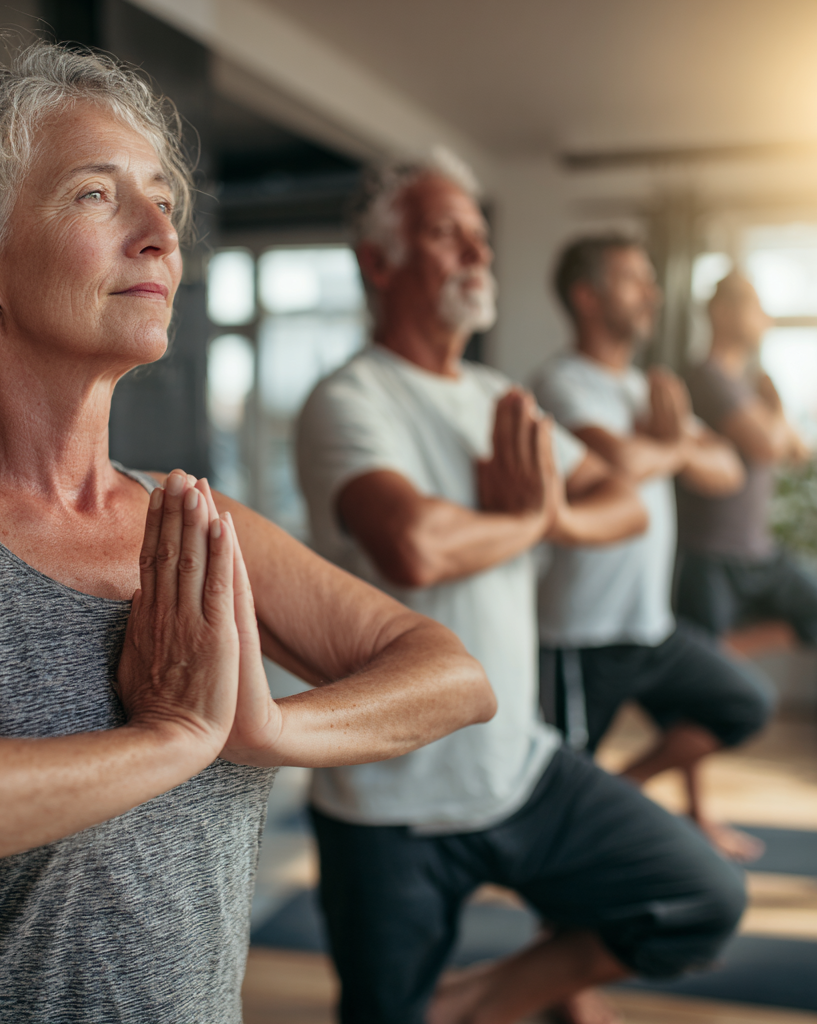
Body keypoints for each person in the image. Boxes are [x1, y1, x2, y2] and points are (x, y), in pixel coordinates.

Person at [0, 43, 496, 1024]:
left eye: (162, 197)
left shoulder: (194, 523)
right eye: (94, 194)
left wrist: (265, 730)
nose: (161, 234)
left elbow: (453, 674)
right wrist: (171, 741)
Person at [296, 159, 746, 1024]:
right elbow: (416, 544)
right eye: (444, 233)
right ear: (377, 264)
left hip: (520, 766)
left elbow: (623, 505)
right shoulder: (349, 400)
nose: (475, 252)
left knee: (703, 896)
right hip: (389, 804)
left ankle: (477, 1005)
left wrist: (549, 519)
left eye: (481, 236)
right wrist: (542, 515)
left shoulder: (500, 395)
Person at [533, 236, 776, 864]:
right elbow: (616, 460)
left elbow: (728, 469)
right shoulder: (561, 383)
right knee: (558, 788)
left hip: (649, 627)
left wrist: (663, 447)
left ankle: (623, 791)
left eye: (650, 278)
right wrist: (675, 448)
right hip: (580, 635)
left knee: (744, 703)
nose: (652, 293)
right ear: (587, 298)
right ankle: (563, 909)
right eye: (633, 280)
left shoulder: (646, 389)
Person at [676, 270, 816, 642]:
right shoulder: (706, 377)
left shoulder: (749, 385)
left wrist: (775, 415)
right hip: (711, 555)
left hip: (759, 551)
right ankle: (726, 659)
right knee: (704, 676)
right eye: (757, 309)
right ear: (722, 312)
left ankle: (731, 655)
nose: (766, 320)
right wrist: (776, 412)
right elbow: (767, 445)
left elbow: (798, 451)